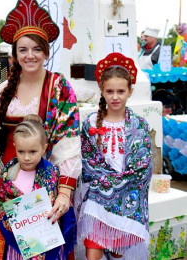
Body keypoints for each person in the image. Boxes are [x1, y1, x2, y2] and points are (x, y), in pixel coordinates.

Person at [0, 0, 81, 258]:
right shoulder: (4, 88)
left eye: (36, 49)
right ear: (15, 53)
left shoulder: (59, 87)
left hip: (44, 186)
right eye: (23, 49)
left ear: (46, 51)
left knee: (42, 249)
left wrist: (64, 192)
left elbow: (69, 142)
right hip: (6, 185)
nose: (30, 55)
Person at [75, 52, 152, 260]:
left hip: (125, 202)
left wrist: (115, 186)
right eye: (110, 91)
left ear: (130, 91)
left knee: (118, 254)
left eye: (120, 91)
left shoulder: (139, 126)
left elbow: (142, 169)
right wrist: (106, 185)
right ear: (101, 90)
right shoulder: (90, 124)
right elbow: (88, 164)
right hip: (97, 202)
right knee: (93, 252)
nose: (115, 96)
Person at [0, 114, 76, 259]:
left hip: (46, 242)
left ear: (44, 148)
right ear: (15, 147)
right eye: (21, 152)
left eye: (33, 152)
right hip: (19, 245)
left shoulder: (52, 174)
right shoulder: (7, 175)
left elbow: (61, 208)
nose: (26, 158)